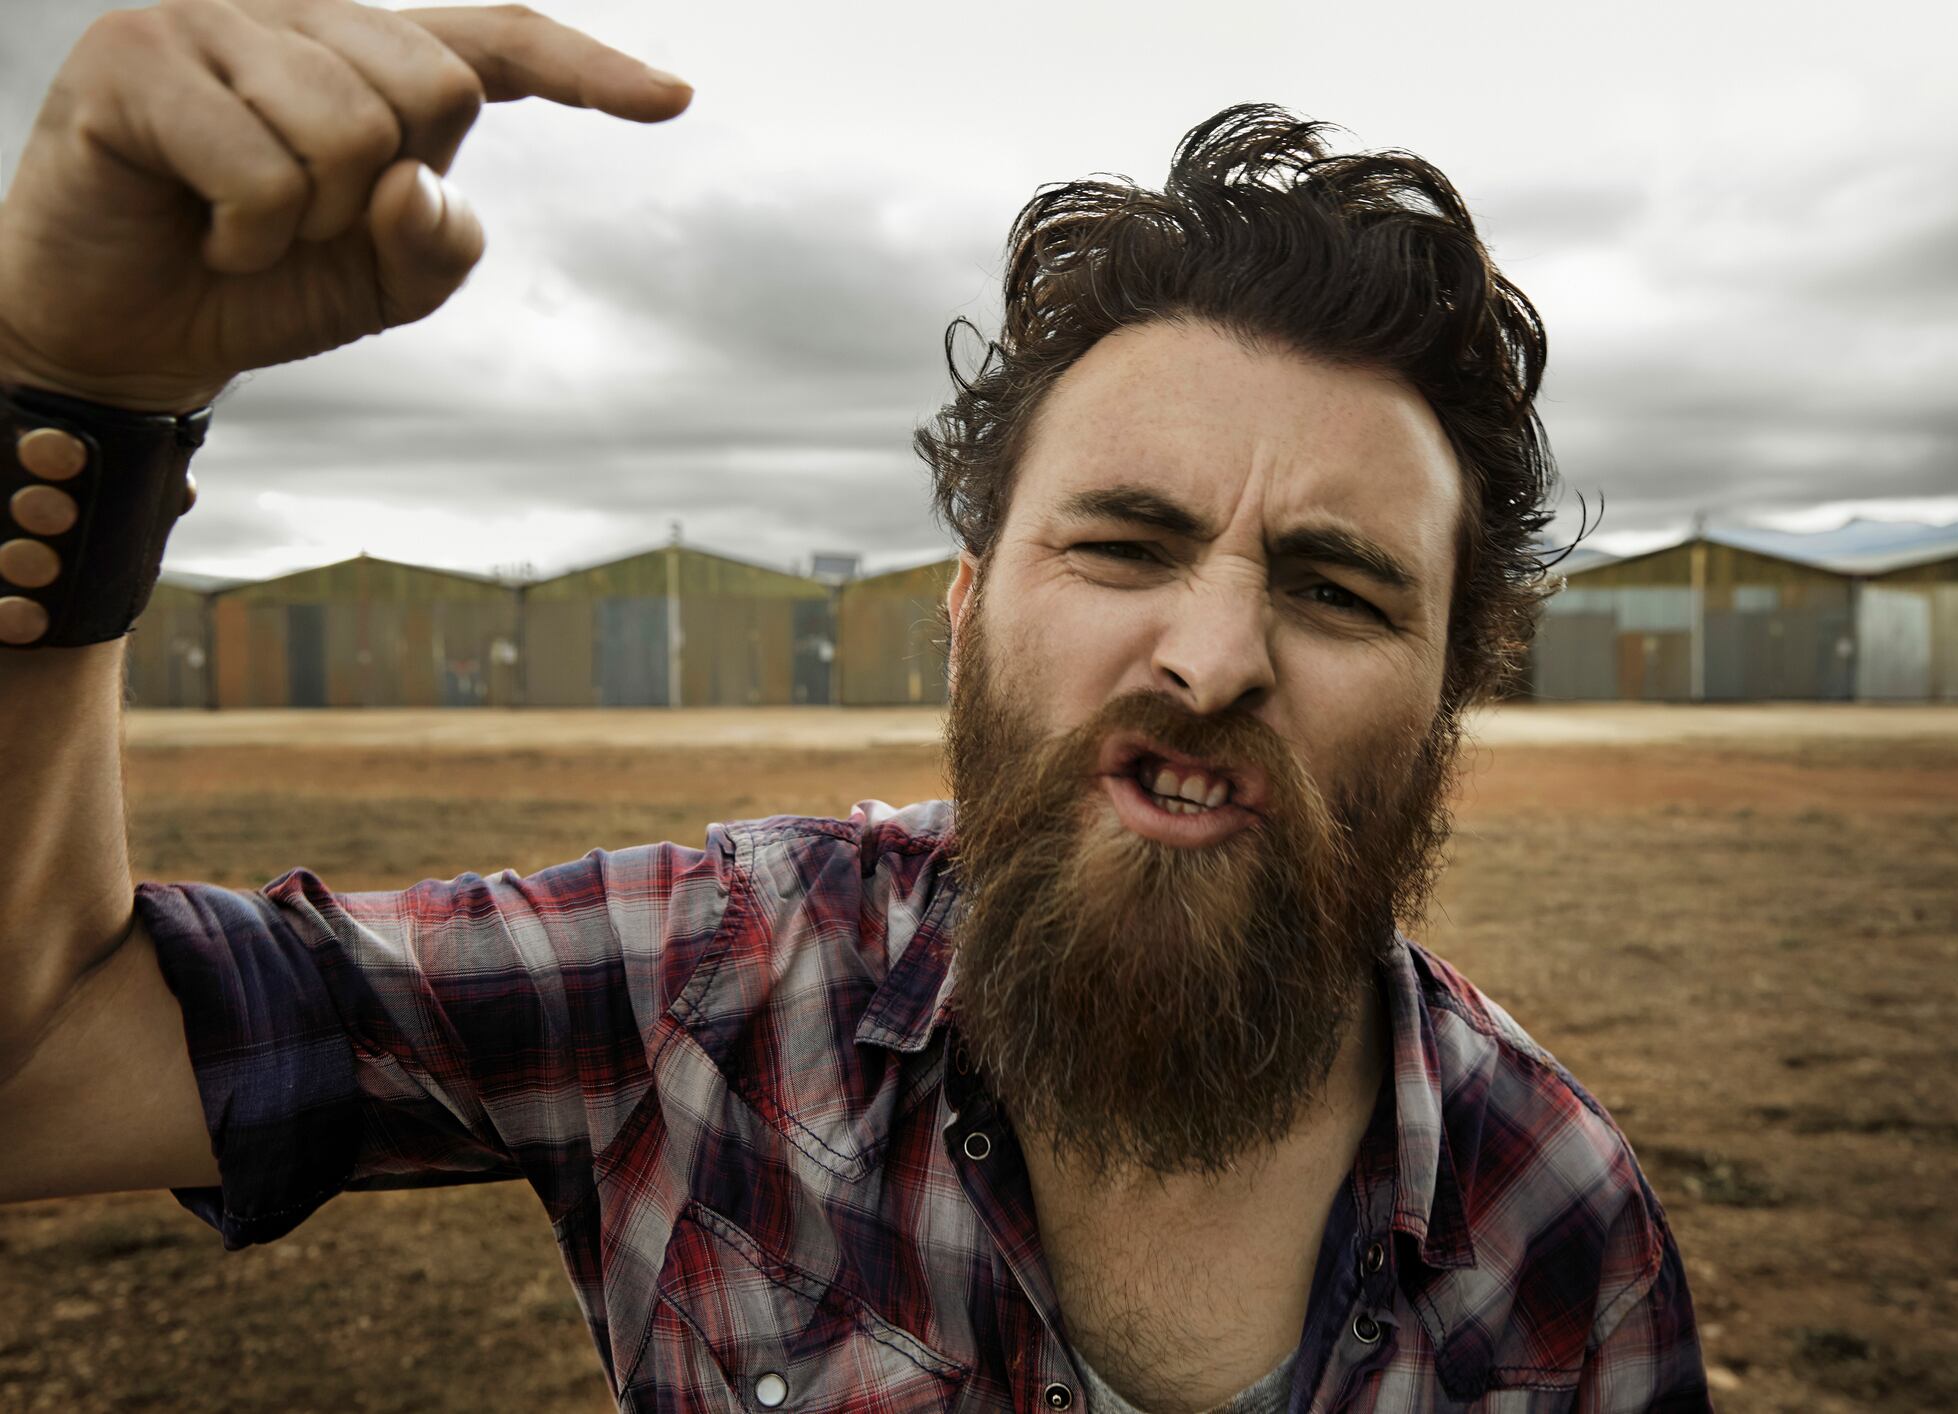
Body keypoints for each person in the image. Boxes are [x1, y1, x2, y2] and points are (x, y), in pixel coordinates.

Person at [0, 3, 1712, 1410]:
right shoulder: (710, 983)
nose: (1212, 656)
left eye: (1337, 589)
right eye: (1124, 542)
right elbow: (42, 1057)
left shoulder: (1553, 1217)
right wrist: (86, 393)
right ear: (962, 622)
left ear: (1445, 707)